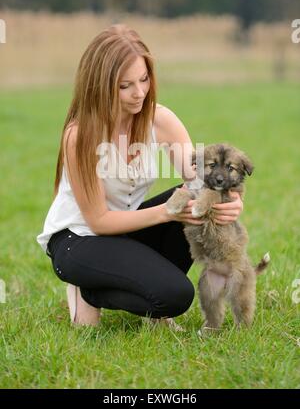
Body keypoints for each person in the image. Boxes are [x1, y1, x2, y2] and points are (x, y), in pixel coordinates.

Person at [36, 24, 243, 328]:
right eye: (125, 85)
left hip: (124, 232)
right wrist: (166, 212)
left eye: (144, 79)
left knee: (195, 198)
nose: (139, 93)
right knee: (175, 296)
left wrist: (230, 202)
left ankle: (140, 285)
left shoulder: (161, 120)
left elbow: (202, 182)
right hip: (78, 240)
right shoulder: (80, 135)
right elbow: (98, 221)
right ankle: (89, 290)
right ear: (100, 85)